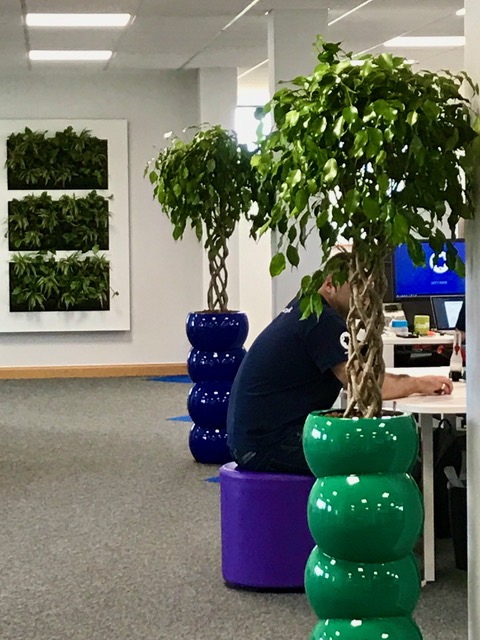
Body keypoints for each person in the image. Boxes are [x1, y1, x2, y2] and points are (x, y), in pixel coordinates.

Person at [226, 257, 454, 476]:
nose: (363, 298)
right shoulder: (320, 320)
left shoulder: (305, 308)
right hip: (268, 444)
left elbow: (360, 380)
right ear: (329, 285)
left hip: (254, 437)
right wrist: (419, 384)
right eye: (355, 288)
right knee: (384, 456)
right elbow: (368, 389)